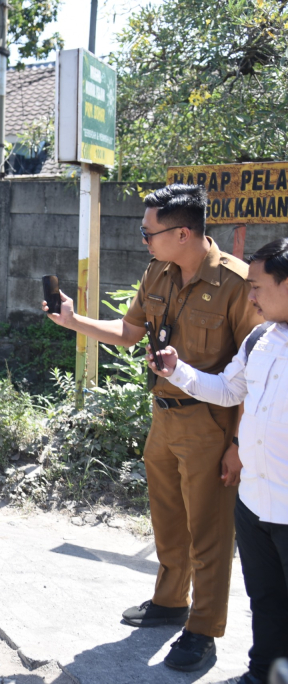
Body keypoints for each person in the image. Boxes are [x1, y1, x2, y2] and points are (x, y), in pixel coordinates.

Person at [43, 184, 261, 671]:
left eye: (148, 232)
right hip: (163, 417)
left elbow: (254, 375)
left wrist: (238, 444)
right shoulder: (157, 272)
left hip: (211, 425)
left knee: (209, 532)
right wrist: (74, 321)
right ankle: (170, 600)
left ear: (182, 233)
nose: (142, 240)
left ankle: (203, 629)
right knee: (167, 519)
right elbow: (128, 333)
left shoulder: (237, 283)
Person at [149, 238, 288, 684]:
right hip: (255, 502)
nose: (250, 297)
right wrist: (177, 370)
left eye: (257, 287)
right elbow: (228, 390)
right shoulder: (260, 340)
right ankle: (262, 674)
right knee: (266, 599)